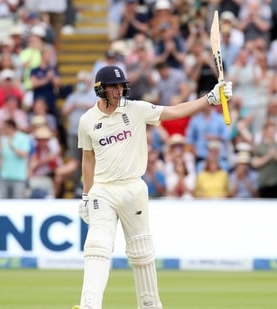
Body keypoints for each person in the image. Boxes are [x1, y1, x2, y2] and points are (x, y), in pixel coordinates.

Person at [73, 65, 232, 309]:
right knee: (97, 245)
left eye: (120, 86)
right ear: (100, 89)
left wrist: (210, 98)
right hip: (102, 190)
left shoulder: (136, 109)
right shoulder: (87, 120)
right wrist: (86, 195)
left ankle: (150, 305)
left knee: (141, 251)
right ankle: (88, 305)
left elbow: (176, 110)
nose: (118, 91)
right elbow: (88, 158)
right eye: (112, 87)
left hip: (133, 188)